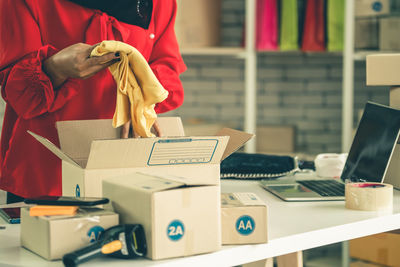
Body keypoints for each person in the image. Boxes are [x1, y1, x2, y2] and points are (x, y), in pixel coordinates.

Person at [0, 0, 186, 203]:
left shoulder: (159, 3)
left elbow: (166, 63)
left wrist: (140, 99)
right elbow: (18, 92)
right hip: (44, 172)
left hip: (127, 169)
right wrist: (55, 68)